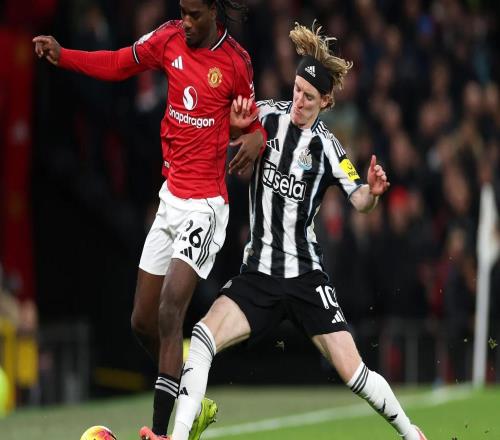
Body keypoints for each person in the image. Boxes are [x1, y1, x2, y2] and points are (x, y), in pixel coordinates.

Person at [170, 22, 427, 440]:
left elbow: (359, 200)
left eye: (309, 96)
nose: (299, 101)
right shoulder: (267, 116)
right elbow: (227, 126)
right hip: (258, 275)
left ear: (325, 101)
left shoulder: (329, 148)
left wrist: (374, 192)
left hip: (306, 277)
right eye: (296, 90)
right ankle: (178, 436)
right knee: (201, 337)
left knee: (354, 372)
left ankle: (411, 434)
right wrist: (233, 124)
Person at [33, 1, 266, 439]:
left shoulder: (236, 62)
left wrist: (255, 138)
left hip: (205, 205)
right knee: (142, 321)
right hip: (170, 200)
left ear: (213, 11)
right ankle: (190, 394)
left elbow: (250, 124)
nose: (187, 22)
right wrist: (64, 56)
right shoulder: (169, 38)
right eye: (183, 12)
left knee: (170, 310)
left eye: (194, 14)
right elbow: (119, 62)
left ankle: (160, 433)